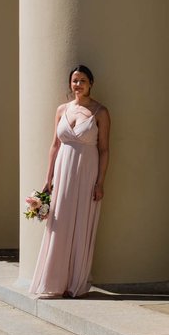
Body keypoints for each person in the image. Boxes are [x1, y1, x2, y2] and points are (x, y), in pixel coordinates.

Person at [29, 65, 111, 298]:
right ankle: (53, 280)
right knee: (59, 222)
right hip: (63, 170)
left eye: (83, 80)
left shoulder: (100, 112)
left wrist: (100, 182)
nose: (78, 85)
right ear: (70, 84)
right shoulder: (61, 110)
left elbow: (104, 150)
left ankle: (75, 282)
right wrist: (48, 178)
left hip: (87, 171)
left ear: (91, 83)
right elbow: (55, 145)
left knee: (82, 223)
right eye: (75, 81)